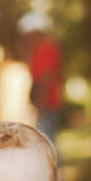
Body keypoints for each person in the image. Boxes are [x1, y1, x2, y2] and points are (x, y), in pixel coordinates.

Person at [18, 13, 64, 142]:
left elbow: (46, 77)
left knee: (46, 140)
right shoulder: (38, 49)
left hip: (48, 103)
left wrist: (40, 103)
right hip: (44, 103)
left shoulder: (46, 48)